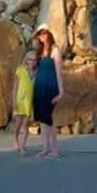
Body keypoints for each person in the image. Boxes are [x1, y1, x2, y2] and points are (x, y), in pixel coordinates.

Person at [33, 24, 64, 158]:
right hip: (39, 86)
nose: (42, 36)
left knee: (48, 119)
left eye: (45, 33)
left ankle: (55, 150)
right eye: (40, 34)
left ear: (49, 34)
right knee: (42, 120)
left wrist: (61, 91)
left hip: (50, 87)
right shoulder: (39, 52)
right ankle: (45, 148)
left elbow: (58, 71)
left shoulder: (54, 50)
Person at [12, 50, 37, 154]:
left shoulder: (37, 72)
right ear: (26, 60)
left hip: (29, 101)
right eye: (30, 59)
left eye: (34, 60)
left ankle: (23, 146)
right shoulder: (20, 71)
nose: (32, 62)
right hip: (20, 100)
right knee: (18, 124)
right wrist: (13, 101)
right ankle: (16, 140)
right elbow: (15, 87)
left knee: (26, 124)